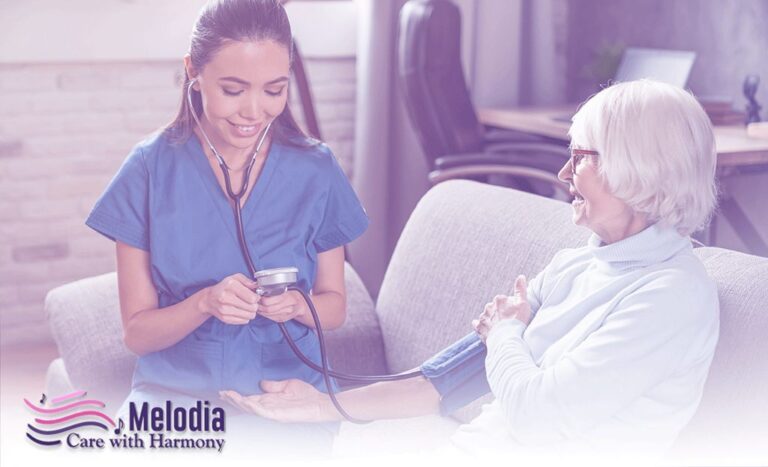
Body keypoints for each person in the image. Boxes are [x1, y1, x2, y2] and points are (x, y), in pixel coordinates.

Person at [219, 79, 721, 461]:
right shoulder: (580, 262)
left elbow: (539, 416)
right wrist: (321, 403)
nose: (564, 174)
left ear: (638, 166)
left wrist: (505, 332)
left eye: (581, 157)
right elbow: (443, 381)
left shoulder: (670, 297)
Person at [85, 0, 368, 456]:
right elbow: (137, 333)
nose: (254, 111)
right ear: (192, 72)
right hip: (175, 398)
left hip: (285, 397)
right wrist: (204, 303)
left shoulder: (316, 170)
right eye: (233, 90)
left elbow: (333, 310)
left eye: (274, 90)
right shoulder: (149, 169)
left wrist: (298, 304)